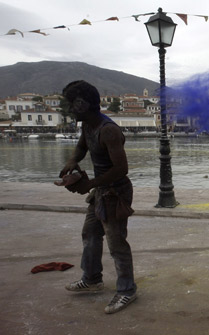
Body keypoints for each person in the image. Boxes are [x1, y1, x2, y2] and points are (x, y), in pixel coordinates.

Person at [59, 80, 137, 314]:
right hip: (101, 192)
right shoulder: (88, 127)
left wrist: (89, 184)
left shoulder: (108, 130)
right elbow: (82, 147)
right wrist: (72, 161)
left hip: (115, 193)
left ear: (83, 104)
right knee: (91, 234)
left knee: (116, 243)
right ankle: (92, 278)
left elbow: (121, 168)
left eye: (72, 104)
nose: (70, 109)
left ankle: (127, 290)